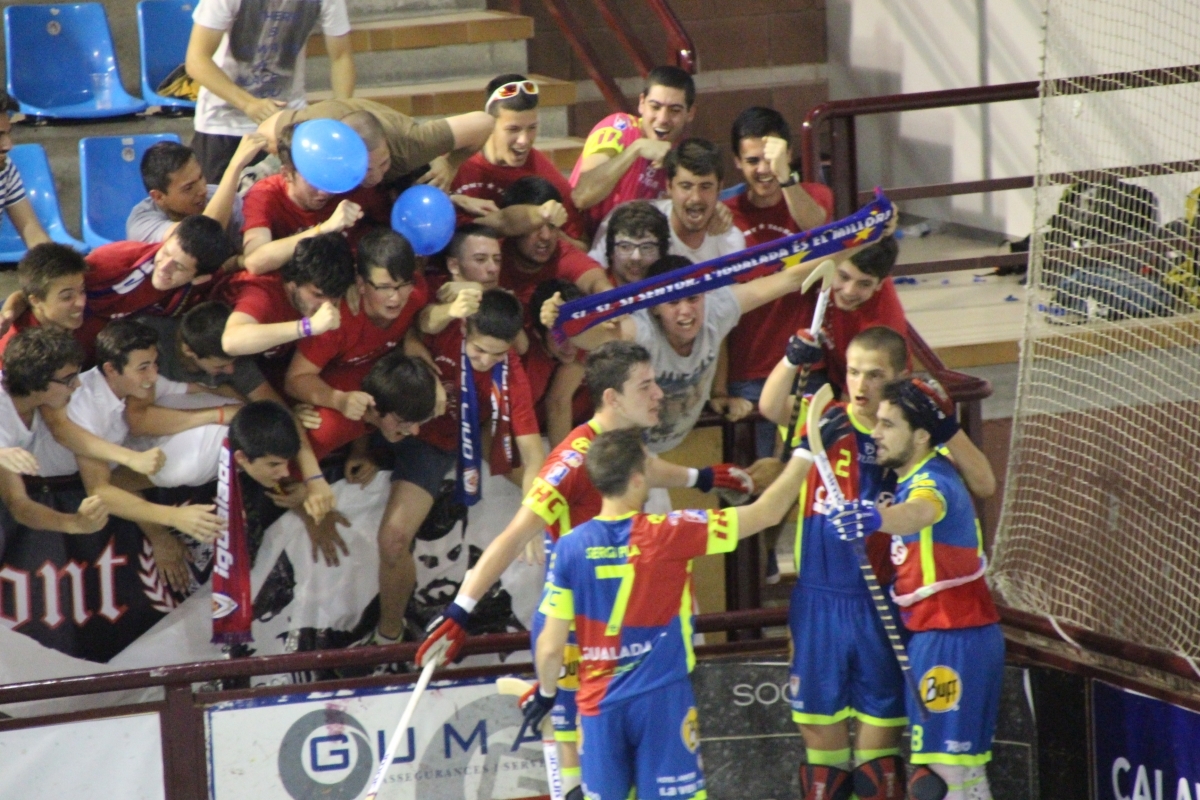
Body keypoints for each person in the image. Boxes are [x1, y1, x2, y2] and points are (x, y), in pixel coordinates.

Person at [417, 341, 755, 800]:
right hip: (574, 630)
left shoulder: (621, 445)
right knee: (578, 785)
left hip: (622, 634)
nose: (660, 393)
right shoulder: (571, 461)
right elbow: (513, 536)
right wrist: (461, 610)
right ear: (613, 398)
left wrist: (704, 478)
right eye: (646, 385)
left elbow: (649, 469)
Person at [756, 327, 995, 800]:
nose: (860, 386)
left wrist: (945, 428)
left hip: (880, 605)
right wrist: (789, 359)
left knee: (878, 764)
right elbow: (769, 407)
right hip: (819, 601)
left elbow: (982, 482)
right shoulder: (823, 417)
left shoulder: (907, 434)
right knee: (821, 765)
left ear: (900, 378)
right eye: (851, 372)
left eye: (875, 375)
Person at [528, 428, 813, 800]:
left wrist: (547, 694)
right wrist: (806, 452)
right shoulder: (672, 532)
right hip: (662, 701)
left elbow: (550, 648)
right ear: (635, 478)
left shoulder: (568, 547)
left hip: (598, 707)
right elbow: (767, 511)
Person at [827, 379, 1004, 800]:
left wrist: (875, 519)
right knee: (961, 777)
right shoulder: (918, 475)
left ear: (922, 435)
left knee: (940, 781)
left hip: (952, 638)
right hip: (942, 636)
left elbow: (920, 513)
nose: (875, 433)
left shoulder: (932, 481)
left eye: (888, 425)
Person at [358, 289, 545, 648]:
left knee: (393, 539)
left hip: (438, 445)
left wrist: (534, 516)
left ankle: (387, 639)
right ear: (463, 329)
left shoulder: (510, 372)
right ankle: (390, 633)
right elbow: (420, 323)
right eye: (479, 350)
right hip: (401, 422)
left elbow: (534, 454)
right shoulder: (445, 324)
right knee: (392, 540)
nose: (487, 360)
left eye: (498, 353)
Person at [721, 106, 834, 583]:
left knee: (814, 493)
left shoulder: (811, 196)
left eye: (770, 158)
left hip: (807, 373)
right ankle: (759, 590)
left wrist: (789, 181)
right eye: (752, 160)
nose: (762, 170)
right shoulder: (723, 213)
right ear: (737, 162)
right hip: (749, 376)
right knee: (760, 492)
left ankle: (818, 579)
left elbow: (821, 235)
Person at [39, 320, 229, 587]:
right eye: (143, 368)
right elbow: (100, 491)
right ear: (111, 370)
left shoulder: (140, 383)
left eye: (154, 363)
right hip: (37, 482)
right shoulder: (87, 408)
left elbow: (203, 391)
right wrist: (170, 520)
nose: (152, 376)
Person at [137, 301, 336, 526]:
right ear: (188, 351)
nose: (231, 371)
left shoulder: (235, 360)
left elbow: (282, 414)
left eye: (233, 363)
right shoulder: (148, 348)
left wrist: (313, 478)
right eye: (221, 367)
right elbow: (137, 422)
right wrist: (220, 414)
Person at [0, 328, 164, 535]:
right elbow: (18, 505)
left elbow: (66, 433)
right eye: (69, 379)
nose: (77, 384)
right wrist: (73, 524)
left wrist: (131, 458)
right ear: (36, 383)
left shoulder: (48, 399)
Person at [285, 229, 430, 460]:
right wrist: (338, 400)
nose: (396, 297)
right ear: (360, 284)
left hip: (372, 373)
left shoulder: (416, 294)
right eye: (384, 287)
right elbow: (295, 380)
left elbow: (416, 320)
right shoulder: (337, 320)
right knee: (327, 427)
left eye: (403, 285)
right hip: (326, 382)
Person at [184, 0, 355, 183]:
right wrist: (249, 104)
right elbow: (196, 61)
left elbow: (341, 57)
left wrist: (341, 115)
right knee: (218, 206)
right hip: (222, 123)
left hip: (285, 123)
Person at [450, 75, 587, 241]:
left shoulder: (543, 174)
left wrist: (551, 230)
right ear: (489, 125)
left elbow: (582, 245)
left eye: (532, 128)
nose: (524, 140)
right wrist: (454, 199)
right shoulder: (452, 160)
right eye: (513, 129)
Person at [257, 99, 495, 192]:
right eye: (367, 170)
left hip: (403, 161)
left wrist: (450, 163)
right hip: (331, 121)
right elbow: (263, 131)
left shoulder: (411, 144)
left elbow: (484, 122)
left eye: (383, 164)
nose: (376, 176)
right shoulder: (314, 135)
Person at [240, 123, 383, 275]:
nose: (324, 192)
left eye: (329, 180)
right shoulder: (264, 194)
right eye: (313, 182)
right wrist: (325, 228)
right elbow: (254, 262)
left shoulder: (351, 184)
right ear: (287, 173)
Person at [225, 399, 351, 569]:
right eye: (274, 465)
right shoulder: (197, 464)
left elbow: (282, 483)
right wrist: (175, 519)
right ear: (241, 458)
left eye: (286, 463)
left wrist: (308, 510)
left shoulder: (260, 448)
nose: (285, 472)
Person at [79, 215, 235, 348]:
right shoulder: (110, 262)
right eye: (165, 252)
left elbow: (226, 268)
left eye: (179, 267)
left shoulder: (197, 287)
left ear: (198, 278)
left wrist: (239, 261)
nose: (164, 267)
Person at [570, 66, 696, 230]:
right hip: (581, 242)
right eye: (655, 107)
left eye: (675, 110)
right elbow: (581, 196)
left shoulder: (680, 157)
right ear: (642, 103)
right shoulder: (617, 128)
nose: (663, 119)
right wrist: (635, 149)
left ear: (690, 113)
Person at [220, 232, 356, 384]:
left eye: (335, 296)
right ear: (292, 284)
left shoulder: (340, 278)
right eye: (318, 295)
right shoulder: (262, 294)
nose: (327, 306)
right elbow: (231, 341)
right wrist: (307, 327)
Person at [589, 138, 744, 268]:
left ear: (720, 188)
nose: (696, 197)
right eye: (686, 186)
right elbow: (592, 279)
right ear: (669, 186)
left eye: (706, 187)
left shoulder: (730, 242)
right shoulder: (626, 221)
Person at [127, 135, 264, 250]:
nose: (203, 190)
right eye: (188, 188)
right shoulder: (142, 222)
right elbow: (201, 241)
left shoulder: (221, 196)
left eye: (200, 177)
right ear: (159, 196)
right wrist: (234, 167)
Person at [822, 236, 907, 394]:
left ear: (880, 284)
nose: (849, 291)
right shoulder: (821, 268)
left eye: (864, 284)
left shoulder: (883, 325)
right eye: (844, 276)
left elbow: (859, 399)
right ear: (831, 265)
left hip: (871, 393)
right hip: (828, 373)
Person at [0, 244, 90, 364]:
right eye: (67, 297)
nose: (81, 302)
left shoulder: (92, 306)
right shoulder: (19, 352)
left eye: (82, 291)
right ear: (35, 301)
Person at [523, 280, 588, 445]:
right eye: (560, 337)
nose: (570, 346)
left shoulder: (585, 338)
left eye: (575, 333)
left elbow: (559, 402)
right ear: (538, 333)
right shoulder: (527, 364)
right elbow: (557, 404)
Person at [0, 90, 49, 249]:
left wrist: (61, 267)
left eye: (7, 134)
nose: (8, 145)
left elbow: (31, 231)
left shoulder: (5, 168)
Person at [598, 201, 669, 287]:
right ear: (611, 251)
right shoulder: (592, 292)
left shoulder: (673, 293)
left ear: (661, 252)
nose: (636, 257)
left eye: (646, 247)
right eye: (625, 247)